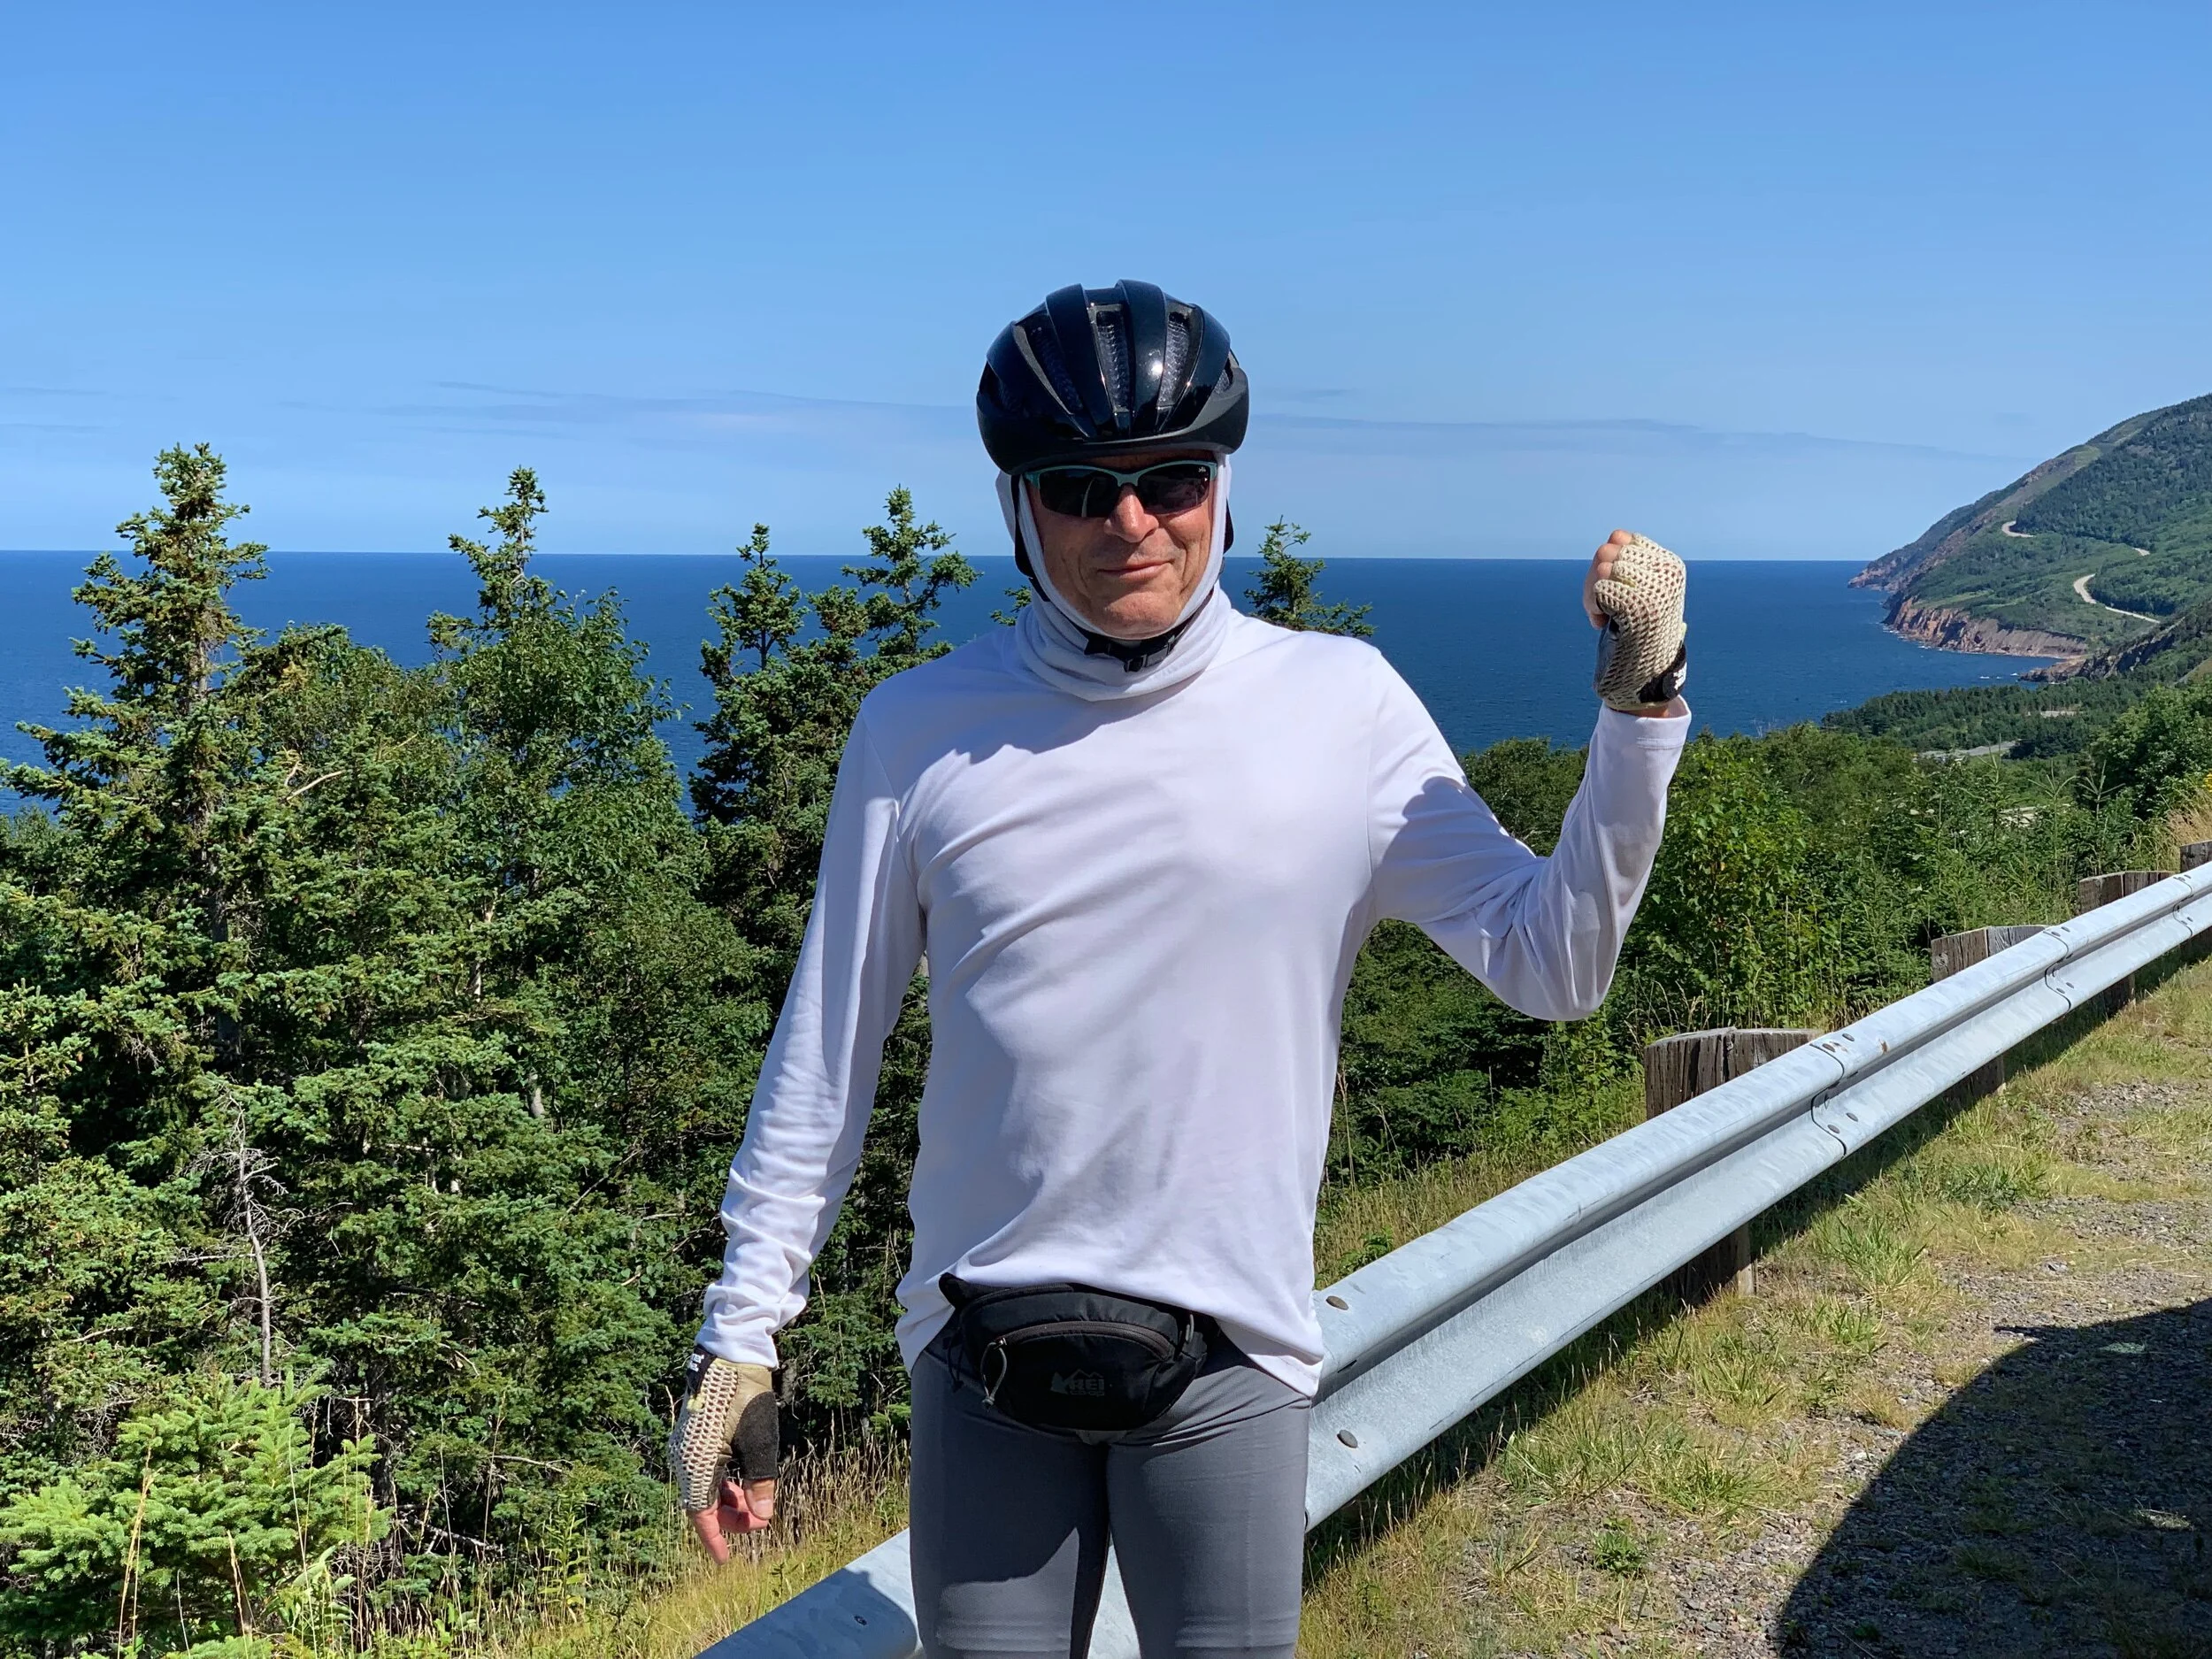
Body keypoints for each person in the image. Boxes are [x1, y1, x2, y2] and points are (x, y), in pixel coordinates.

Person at [671, 280, 1690, 1658]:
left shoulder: (1341, 707)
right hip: (981, 1356)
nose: (1131, 520)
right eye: (1080, 487)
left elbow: (1553, 959)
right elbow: (826, 1050)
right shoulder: (915, 732)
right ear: (1020, 505)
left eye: (1173, 479)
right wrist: (744, 1330)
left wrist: (1640, 708)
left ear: (1222, 485)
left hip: (1231, 1359)